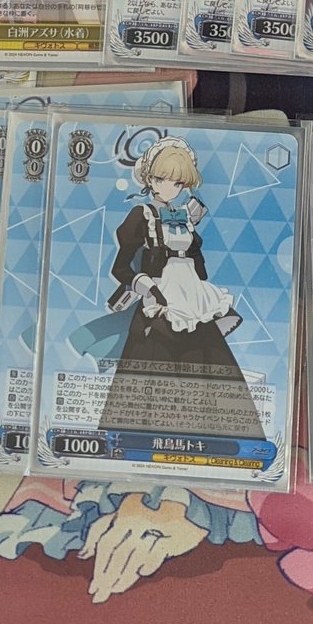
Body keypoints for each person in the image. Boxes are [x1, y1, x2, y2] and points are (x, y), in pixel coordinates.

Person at [91, 138, 263, 439]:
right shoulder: (142, 215)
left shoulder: (186, 218)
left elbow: (198, 264)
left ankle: (224, 437)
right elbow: (120, 268)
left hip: (192, 294)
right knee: (153, 360)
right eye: (161, 179)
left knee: (208, 359)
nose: (169, 187)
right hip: (160, 296)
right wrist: (147, 287)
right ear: (149, 179)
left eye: (177, 182)